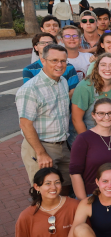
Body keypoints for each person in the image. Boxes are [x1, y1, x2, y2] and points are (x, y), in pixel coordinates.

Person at [16, 43, 73, 188]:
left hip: (62, 145)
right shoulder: (30, 89)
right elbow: (25, 124)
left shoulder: (63, 82)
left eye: (63, 61)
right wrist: (40, 153)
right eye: (54, 60)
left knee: (67, 187)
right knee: (45, 192)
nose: (59, 65)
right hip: (41, 146)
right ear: (43, 60)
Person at [70, 98, 111, 199]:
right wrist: (84, 202)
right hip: (92, 195)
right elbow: (75, 173)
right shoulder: (83, 139)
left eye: (110, 113)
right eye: (101, 113)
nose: (106, 117)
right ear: (93, 115)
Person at [72, 53, 111, 133]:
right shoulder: (85, 87)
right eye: (103, 65)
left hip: (109, 135)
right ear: (97, 67)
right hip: (87, 136)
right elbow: (76, 120)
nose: (107, 69)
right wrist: (88, 143)